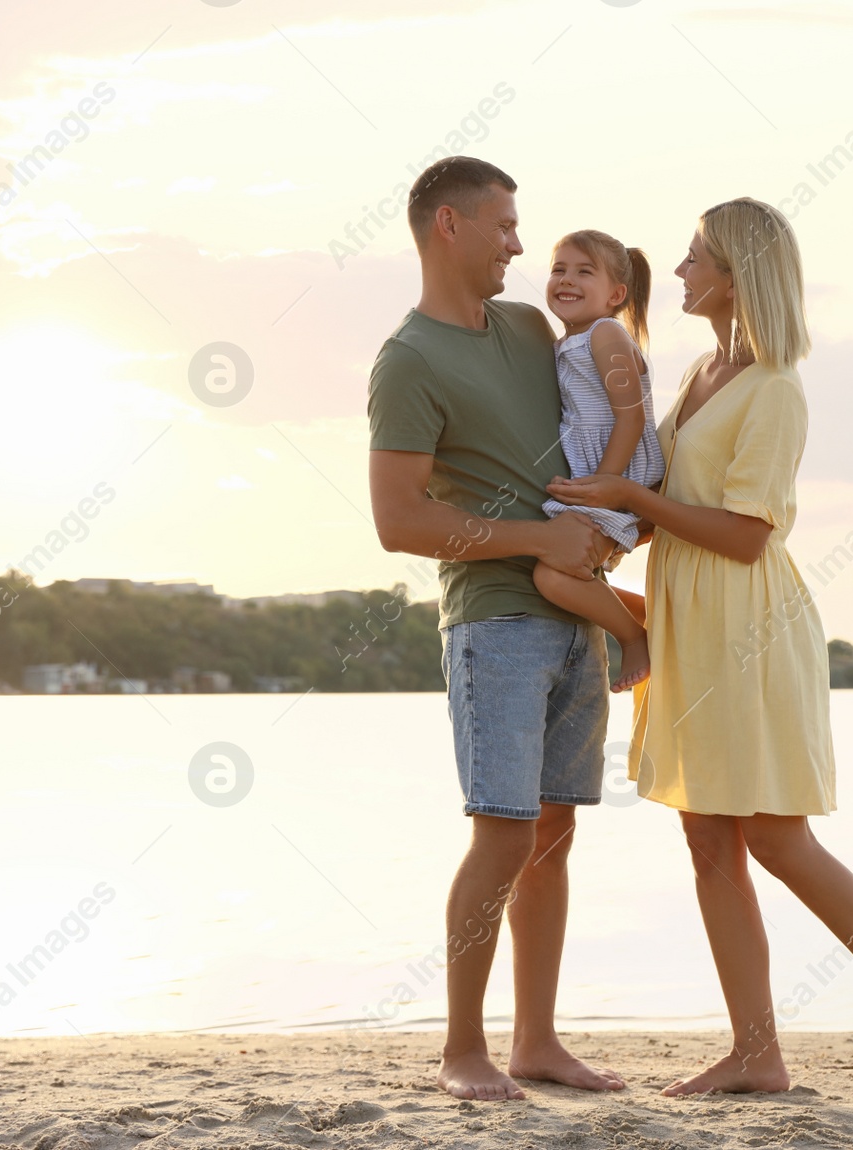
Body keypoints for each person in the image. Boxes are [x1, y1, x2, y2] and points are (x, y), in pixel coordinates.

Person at [546, 197, 853, 1099]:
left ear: (740, 274)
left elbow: (745, 533)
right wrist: (597, 521)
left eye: (697, 256)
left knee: (781, 840)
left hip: (749, 625)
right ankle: (756, 1052)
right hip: (692, 620)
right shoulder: (704, 369)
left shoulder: (775, 387)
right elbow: (662, 501)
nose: (680, 269)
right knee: (708, 841)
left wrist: (631, 491)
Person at [367, 156, 627, 1102]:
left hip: (573, 619)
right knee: (502, 837)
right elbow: (399, 521)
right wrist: (537, 538)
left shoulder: (526, 328)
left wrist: (610, 524)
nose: (521, 244)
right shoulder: (408, 361)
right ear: (449, 225)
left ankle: (538, 1043)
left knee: (552, 835)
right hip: (495, 628)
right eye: (505, 225)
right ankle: (462, 1052)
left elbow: (607, 397)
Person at [533, 230, 665, 692]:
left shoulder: (606, 334)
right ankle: (652, 618)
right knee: (569, 569)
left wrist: (603, 487)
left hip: (621, 471)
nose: (566, 280)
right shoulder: (568, 341)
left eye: (583, 272)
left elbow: (629, 419)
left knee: (553, 577)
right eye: (558, 269)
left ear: (616, 294)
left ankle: (633, 636)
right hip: (600, 475)